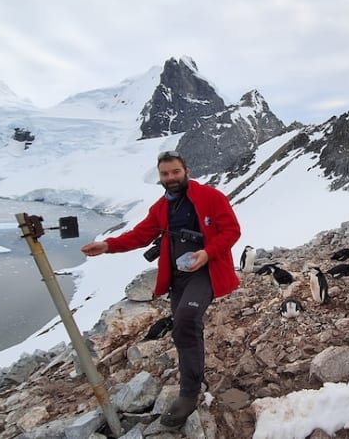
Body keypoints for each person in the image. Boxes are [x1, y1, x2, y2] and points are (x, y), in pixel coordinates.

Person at [81, 150, 241, 428]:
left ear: (186, 171)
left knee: (186, 321)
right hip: (179, 276)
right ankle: (195, 375)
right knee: (185, 329)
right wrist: (107, 246)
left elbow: (232, 231)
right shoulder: (161, 207)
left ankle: (189, 395)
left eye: (175, 172)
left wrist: (206, 253)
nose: (171, 178)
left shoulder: (211, 197)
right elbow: (141, 235)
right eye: (165, 174)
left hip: (205, 271)